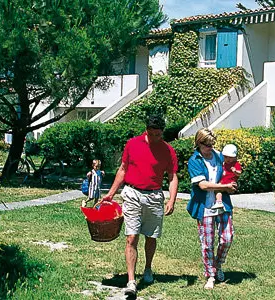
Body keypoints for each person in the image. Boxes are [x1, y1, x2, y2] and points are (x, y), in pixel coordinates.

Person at [100, 114, 178, 297]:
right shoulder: (132, 144)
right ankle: (131, 281)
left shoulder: (168, 150)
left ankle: (148, 269)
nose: (155, 138)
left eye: (159, 135)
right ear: (147, 130)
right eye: (152, 134)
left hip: (154, 196)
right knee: (131, 237)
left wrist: (172, 200)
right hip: (132, 193)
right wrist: (111, 193)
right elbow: (123, 169)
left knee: (151, 237)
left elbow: (172, 177)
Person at [186, 128, 237, 290]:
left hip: (223, 205)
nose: (210, 147)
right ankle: (211, 274)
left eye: (212, 144)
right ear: (199, 143)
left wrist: (233, 181)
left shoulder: (219, 156)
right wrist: (224, 186)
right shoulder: (195, 160)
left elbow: (230, 171)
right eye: (207, 145)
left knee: (227, 238)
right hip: (205, 207)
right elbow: (202, 185)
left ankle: (218, 265)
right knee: (207, 243)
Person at [211, 144, 242, 210]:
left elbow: (239, 173)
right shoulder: (223, 163)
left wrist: (235, 171)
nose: (228, 159)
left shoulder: (236, 164)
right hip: (223, 181)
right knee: (218, 189)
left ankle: (219, 202)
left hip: (230, 182)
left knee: (217, 189)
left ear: (235, 157)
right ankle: (219, 202)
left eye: (230, 157)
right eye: (226, 157)